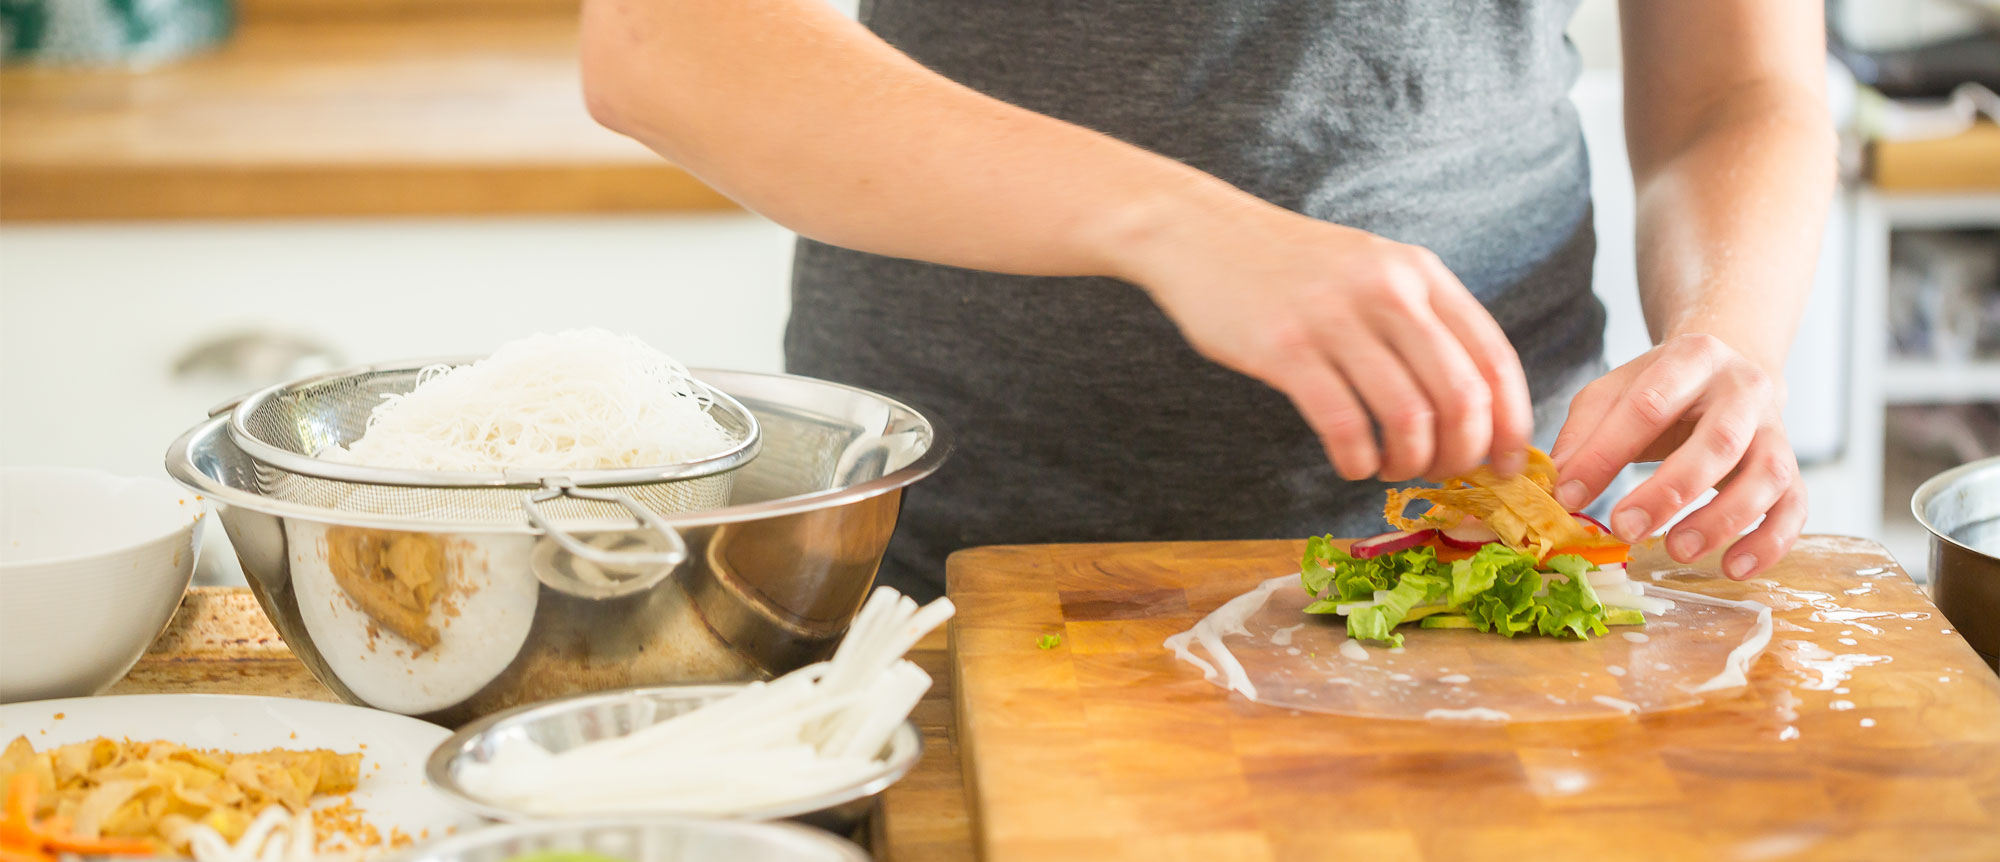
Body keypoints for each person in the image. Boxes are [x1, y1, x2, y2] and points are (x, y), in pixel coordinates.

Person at [580, 1, 1835, 600]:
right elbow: (662, 42)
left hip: (1495, 551)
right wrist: (1174, 226)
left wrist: (1724, 334)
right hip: (957, 554)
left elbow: (1737, 83)